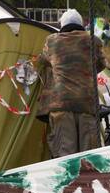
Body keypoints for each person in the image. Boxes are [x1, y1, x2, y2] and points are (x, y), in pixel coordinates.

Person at [35, 9, 103, 159]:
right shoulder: (93, 40)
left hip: (61, 106)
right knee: (89, 156)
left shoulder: (52, 41)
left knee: (65, 155)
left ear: (62, 24)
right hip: (87, 104)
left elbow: (42, 61)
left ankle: (69, 183)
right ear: (81, 24)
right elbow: (101, 64)